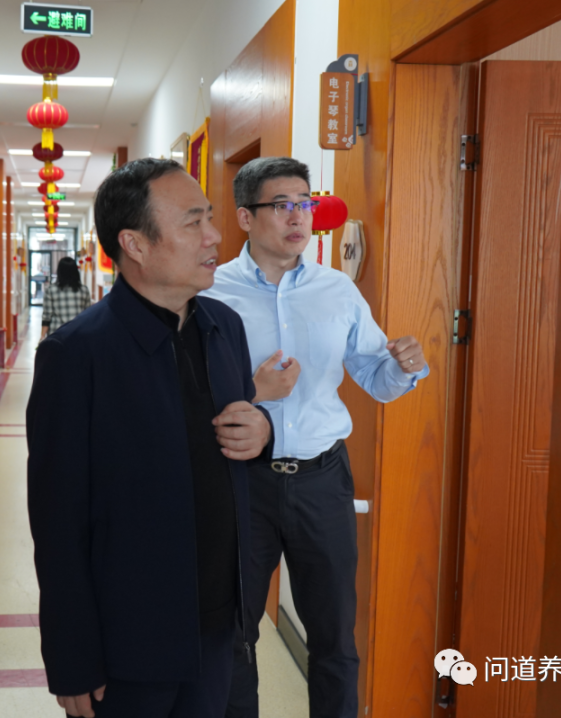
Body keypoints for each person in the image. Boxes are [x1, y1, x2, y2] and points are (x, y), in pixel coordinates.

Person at [27, 158, 274, 718]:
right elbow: (57, 522)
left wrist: (264, 430)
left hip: (219, 625)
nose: (215, 236)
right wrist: (71, 656)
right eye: (193, 222)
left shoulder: (224, 328)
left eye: (209, 217)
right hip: (128, 644)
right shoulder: (76, 355)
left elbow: (234, 452)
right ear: (134, 244)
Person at [202, 157, 429, 718]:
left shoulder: (337, 290)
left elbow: (376, 378)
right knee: (232, 633)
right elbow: (187, 394)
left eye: (305, 203)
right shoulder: (211, 292)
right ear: (246, 217)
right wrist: (252, 390)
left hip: (322, 481)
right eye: (282, 205)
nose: (298, 217)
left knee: (334, 638)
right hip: (241, 483)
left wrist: (404, 366)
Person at [41, 255, 92, 339]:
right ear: (76, 272)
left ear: (59, 272)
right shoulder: (84, 290)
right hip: (78, 333)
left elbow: (47, 316)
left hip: (57, 334)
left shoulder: (51, 290)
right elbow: (88, 314)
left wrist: (42, 336)